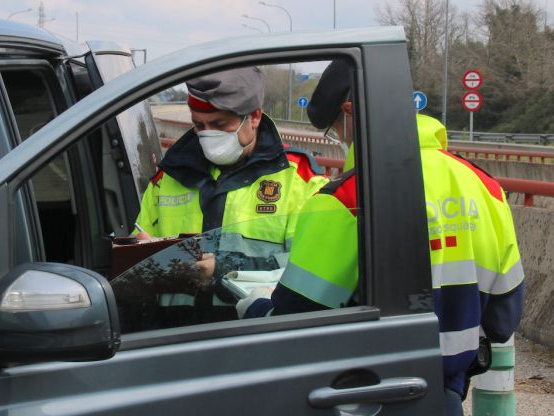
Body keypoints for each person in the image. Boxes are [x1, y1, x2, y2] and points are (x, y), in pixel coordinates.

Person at [238, 59, 525, 415]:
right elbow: (503, 317)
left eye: (335, 130)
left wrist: (254, 306)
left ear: (348, 111)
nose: (340, 140)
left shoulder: (345, 199)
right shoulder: (484, 186)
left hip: (367, 398)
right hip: (446, 397)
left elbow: (294, 323)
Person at [124, 67, 328, 326]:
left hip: (255, 333)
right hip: (172, 335)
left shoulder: (299, 181)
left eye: (220, 124)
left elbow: (306, 272)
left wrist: (221, 269)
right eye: (199, 125)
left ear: (253, 117)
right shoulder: (169, 177)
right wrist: (138, 252)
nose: (208, 135)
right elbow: (137, 250)